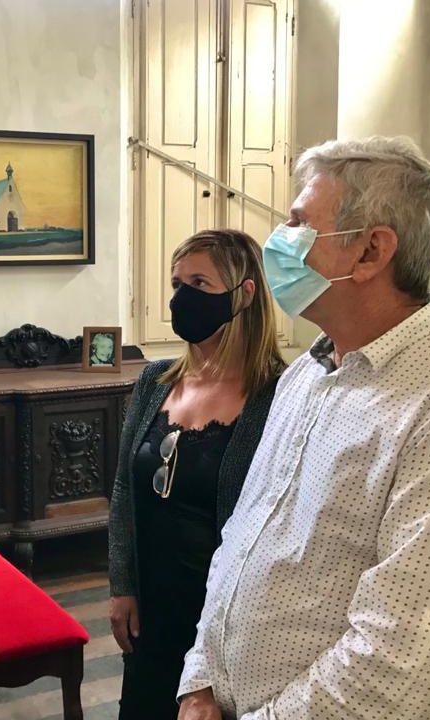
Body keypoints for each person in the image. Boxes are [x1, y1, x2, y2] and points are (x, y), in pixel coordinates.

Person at [177, 137, 430, 720]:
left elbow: (401, 664)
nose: (279, 240)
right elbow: (242, 541)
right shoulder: (307, 372)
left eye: (299, 224)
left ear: (371, 252)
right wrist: (201, 679)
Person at [109, 229, 285, 719]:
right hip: (151, 605)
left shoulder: (278, 394)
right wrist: (122, 585)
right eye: (176, 284)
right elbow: (124, 489)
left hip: (224, 617)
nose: (180, 298)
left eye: (199, 284)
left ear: (244, 294)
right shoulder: (155, 380)